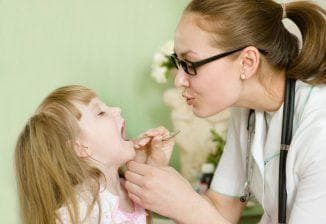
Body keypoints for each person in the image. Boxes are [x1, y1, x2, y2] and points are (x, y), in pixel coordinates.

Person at [124, 0, 326, 223]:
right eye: (177, 62)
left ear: (247, 62)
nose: (180, 80)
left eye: (190, 63)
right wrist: (162, 183)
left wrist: (187, 206)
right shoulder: (246, 111)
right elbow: (222, 209)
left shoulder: (319, 127)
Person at [15, 85, 175, 224]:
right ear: (81, 147)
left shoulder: (127, 189)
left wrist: (152, 167)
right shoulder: (79, 211)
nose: (117, 109)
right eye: (100, 113)